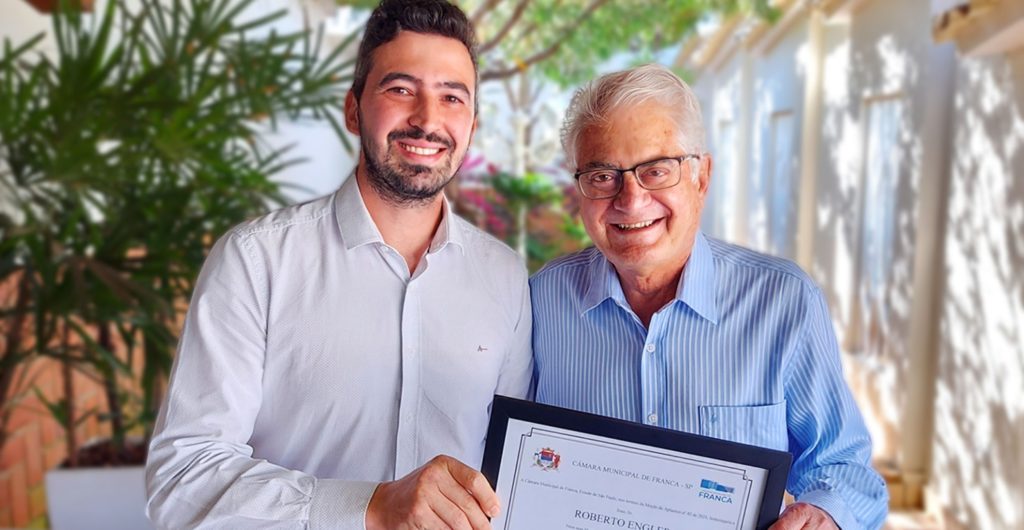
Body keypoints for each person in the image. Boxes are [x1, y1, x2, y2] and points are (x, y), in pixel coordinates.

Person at [145, 1, 532, 528]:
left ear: (471, 124)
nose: (427, 119)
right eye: (401, 89)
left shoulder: (505, 278)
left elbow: (513, 471)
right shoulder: (256, 261)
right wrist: (369, 507)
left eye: (451, 97)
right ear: (353, 110)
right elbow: (182, 480)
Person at [530, 64, 888, 530]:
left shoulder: (784, 303)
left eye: (656, 170)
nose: (631, 200)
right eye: (602, 176)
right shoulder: (540, 302)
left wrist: (825, 514)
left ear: (702, 178)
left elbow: (844, 467)